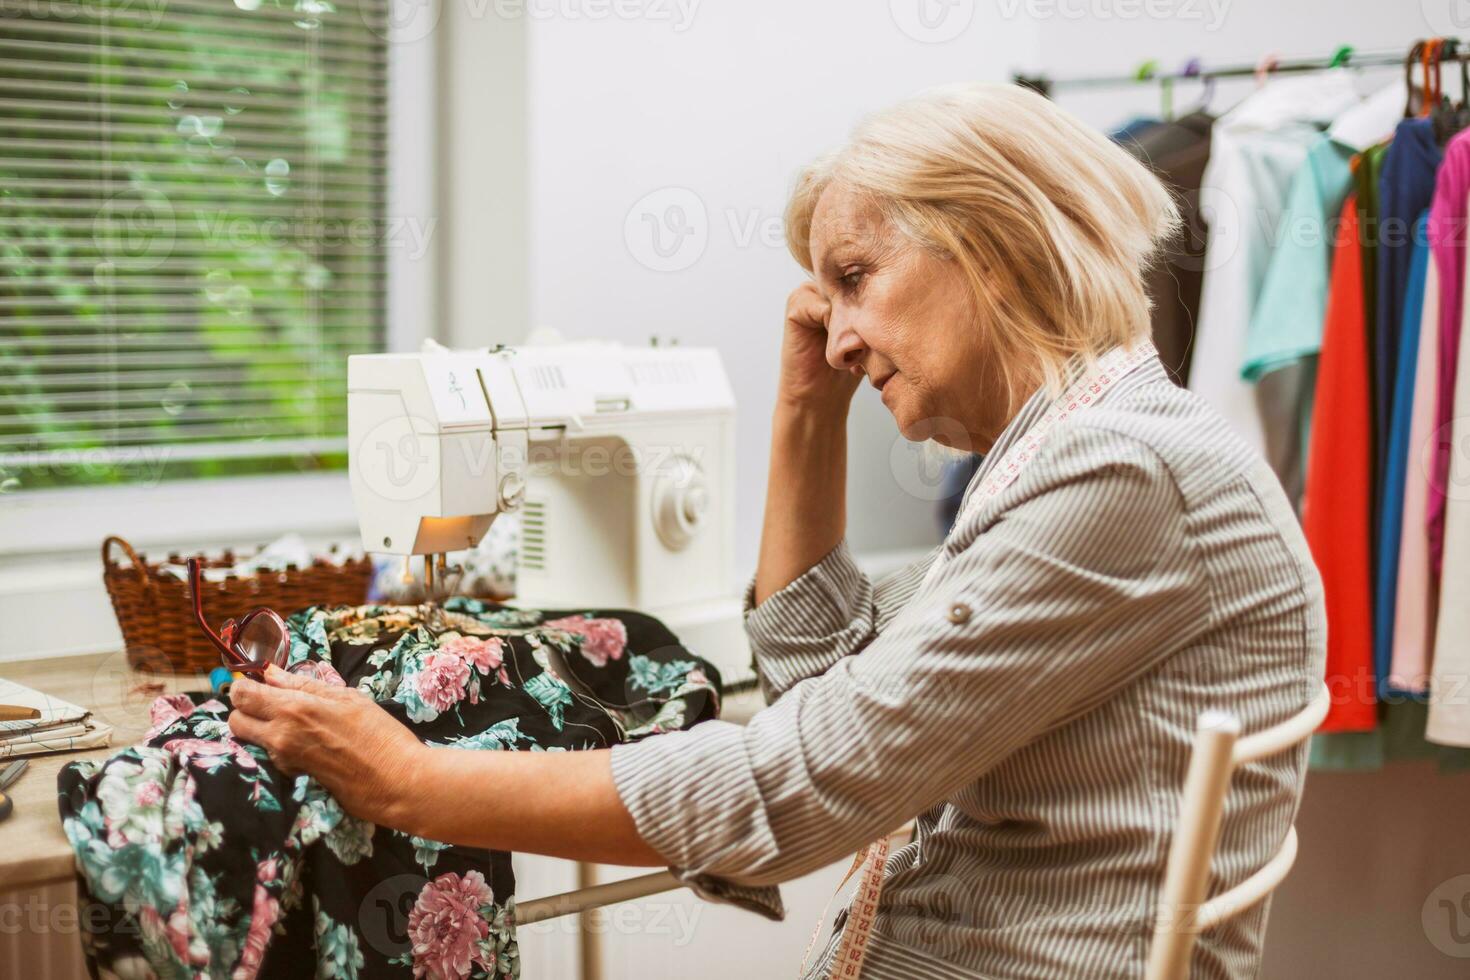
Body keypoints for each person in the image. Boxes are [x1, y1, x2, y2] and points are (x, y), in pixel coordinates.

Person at [230, 82, 1326, 978]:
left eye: (855, 279)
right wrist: (806, 403)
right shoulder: (1076, 455)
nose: (838, 332)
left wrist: (408, 779)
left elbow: (797, 789)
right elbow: (826, 675)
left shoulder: (1125, 477)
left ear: (990, 248)